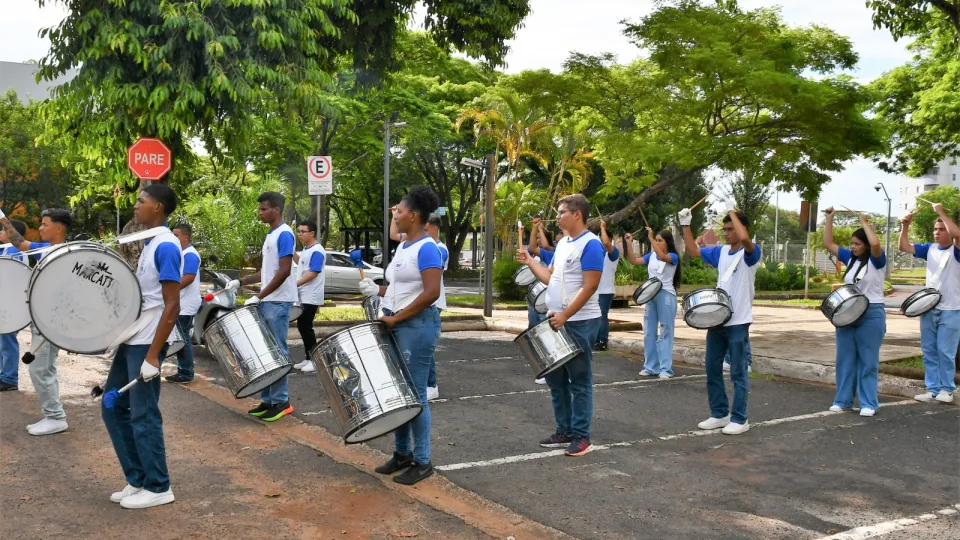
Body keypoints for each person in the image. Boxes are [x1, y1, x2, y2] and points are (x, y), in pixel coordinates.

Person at [102, 184, 181, 509]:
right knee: (112, 406)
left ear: (158, 207)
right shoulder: (149, 243)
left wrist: (153, 356)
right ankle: (138, 479)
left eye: (141, 201)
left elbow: (172, 305)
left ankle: (159, 486)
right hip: (133, 339)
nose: (136, 206)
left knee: (144, 414)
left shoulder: (166, 246)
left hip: (147, 342)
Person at [361, 185, 443, 485]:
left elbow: (431, 292)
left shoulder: (427, 248)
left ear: (415, 215)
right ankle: (401, 453)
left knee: (416, 393)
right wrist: (378, 292)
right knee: (399, 392)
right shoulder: (404, 246)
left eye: (400, 210)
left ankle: (422, 460)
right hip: (398, 324)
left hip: (417, 326)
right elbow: (400, 289)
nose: (396, 214)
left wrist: (397, 317)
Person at [517, 194, 604, 456]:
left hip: (580, 321)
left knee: (579, 380)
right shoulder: (565, 243)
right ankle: (564, 430)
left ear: (577, 214)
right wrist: (531, 261)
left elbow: (590, 286)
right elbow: (549, 277)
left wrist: (565, 314)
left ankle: (581, 436)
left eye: (562, 211)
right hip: (557, 319)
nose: (557, 216)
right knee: (556, 378)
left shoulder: (591, 245)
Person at [681, 202, 759, 435]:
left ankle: (740, 418)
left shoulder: (751, 252)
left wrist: (732, 211)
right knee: (712, 368)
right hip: (717, 319)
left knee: (738, 371)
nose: (726, 233)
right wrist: (685, 224)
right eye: (724, 229)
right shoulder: (721, 251)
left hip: (738, 321)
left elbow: (745, 240)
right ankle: (719, 413)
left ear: (741, 227)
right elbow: (692, 251)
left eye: (730, 228)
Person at [225, 192, 297, 422]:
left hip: (278, 300)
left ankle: (282, 401)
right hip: (269, 299)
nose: (260, 212)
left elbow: (284, 271)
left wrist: (261, 295)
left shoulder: (285, 234)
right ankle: (268, 400)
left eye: (264, 209)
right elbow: (268, 272)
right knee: (266, 352)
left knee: (277, 352)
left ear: (276, 209)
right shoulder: (271, 235)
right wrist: (241, 282)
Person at [1, 208, 72, 435]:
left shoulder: (68, 252)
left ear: (58, 227)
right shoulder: (46, 248)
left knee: (39, 370)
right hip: (42, 319)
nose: (40, 228)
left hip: (51, 321)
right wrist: (3, 218)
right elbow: (20, 243)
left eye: (44, 224)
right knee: (45, 369)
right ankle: (53, 415)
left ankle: (56, 417)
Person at [822, 208, 886, 417]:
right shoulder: (850, 258)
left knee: (868, 361)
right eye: (852, 243)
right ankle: (843, 400)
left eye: (857, 244)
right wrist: (829, 219)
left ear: (866, 245)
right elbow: (828, 244)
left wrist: (864, 222)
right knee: (845, 359)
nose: (853, 247)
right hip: (848, 313)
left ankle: (868, 403)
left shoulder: (877, 260)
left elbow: (876, 244)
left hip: (871, 313)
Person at [899, 203, 960, 404]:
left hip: (952, 309)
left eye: (942, 229)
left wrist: (941, 211)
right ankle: (932, 389)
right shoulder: (929, 249)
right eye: (935, 229)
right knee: (929, 350)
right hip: (928, 308)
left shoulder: (956, 250)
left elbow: (957, 234)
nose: (937, 232)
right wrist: (905, 226)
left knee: (945, 351)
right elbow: (904, 247)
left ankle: (947, 390)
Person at [624, 227, 680, 379]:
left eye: (660, 240)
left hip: (666, 295)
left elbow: (663, 257)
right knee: (649, 331)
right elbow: (634, 260)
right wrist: (629, 244)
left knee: (665, 331)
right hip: (651, 295)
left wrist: (650, 238)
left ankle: (665, 369)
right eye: (656, 240)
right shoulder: (652, 256)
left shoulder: (673, 256)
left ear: (668, 243)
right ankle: (650, 366)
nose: (657, 243)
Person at [166, 223, 201, 384]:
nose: (173, 238)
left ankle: (186, 372)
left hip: (186, 304)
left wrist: (170, 290)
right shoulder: (182, 253)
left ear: (185, 237)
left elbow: (189, 277)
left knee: (183, 338)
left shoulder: (190, 255)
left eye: (176, 235)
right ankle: (183, 370)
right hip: (182, 302)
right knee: (181, 337)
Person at [292, 220, 326, 374]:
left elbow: (313, 272)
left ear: (312, 233)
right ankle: (308, 358)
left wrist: (295, 284)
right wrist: (291, 252)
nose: (299, 234)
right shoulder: (307, 249)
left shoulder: (317, 250)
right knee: (303, 326)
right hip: (303, 294)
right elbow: (302, 264)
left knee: (306, 327)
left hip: (311, 295)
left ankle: (315, 360)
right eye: (298, 231)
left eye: (302, 231)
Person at [526, 218, 556, 385]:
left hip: (549, 301)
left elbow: (543, 246)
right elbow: (532, 248)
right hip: (535, 298)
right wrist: (534, 228)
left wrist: (540, 228)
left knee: (547, 333)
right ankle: (543, 366)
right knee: (535, 331)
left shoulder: (554, 252)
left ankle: (549, 369)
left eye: (541, 238)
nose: (538, 242)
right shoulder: (539, 254)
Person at [0, 218, 29, 392]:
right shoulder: (8, 250)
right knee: (3, 340)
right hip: (6, 301)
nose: (0, 233)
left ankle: (9, 378)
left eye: (3, 230)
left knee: (7, 341)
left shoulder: (13, 251)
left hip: (9, 303)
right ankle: (4, 375)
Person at [594, 218, 621, 351]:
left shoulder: (613, 253)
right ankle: (596, 339)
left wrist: (602, 227)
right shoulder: (598, 253)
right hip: (596, 291)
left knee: (602, 316)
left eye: (602, 238)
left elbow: (605, 242)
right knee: (596, 315)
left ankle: (603, 340)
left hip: (605, 291)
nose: (600, 241)